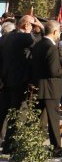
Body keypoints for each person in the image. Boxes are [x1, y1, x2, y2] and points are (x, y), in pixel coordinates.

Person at [0, 14, 42, 152]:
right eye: (33, 25)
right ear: (26, 25)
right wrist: (40, 28)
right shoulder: (23, 37)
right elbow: (40, 44)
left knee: (3, 113)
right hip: (18, 81)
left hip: (5, 80)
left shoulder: (6, 37)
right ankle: (9, 146)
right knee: (16, 115)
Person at [31, 20, 62, 156]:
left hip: (39, 86)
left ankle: (31, 144)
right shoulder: (51, 47)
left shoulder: (38, 44)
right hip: (51, 88)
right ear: (54, 32)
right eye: (59, 31)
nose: (59, 34)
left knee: (36, 119)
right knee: (53, 120)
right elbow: (54, 71)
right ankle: (57, 149)